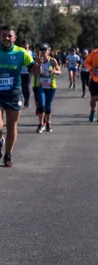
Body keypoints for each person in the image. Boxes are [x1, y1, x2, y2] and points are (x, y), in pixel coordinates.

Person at [0, 25, 34, 167]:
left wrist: (38, 66)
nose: (6, 38)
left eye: (9, 36)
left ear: (15, 38)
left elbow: (34, 70)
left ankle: (8, 155)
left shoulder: (22, 53)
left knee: (12, 125)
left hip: (14, 94)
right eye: (4, 35)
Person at [32, 43, 62, 133]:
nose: (43, 51)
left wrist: (54, 71)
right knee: (41, 105)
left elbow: (59, 71)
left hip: (50, 86)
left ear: (49, 51)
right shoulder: (37, 61)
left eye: (45, 50)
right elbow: (34, 73)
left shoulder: (52, 61)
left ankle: (48, 123)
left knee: (48, 106)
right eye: (41, 50)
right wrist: (38, 65)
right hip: (40, 86)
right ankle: (41, 124)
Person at [21, 40, 34, 107]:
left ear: (28, 45)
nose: (25, 45)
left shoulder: (31, 53)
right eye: (24, 44)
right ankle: (25, 98)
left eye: (27, 44)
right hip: (21, 72)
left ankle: (27, 101)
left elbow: (33, 62)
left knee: (27, 86)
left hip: (28, 72)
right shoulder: (20, 52)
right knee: (23, 87)